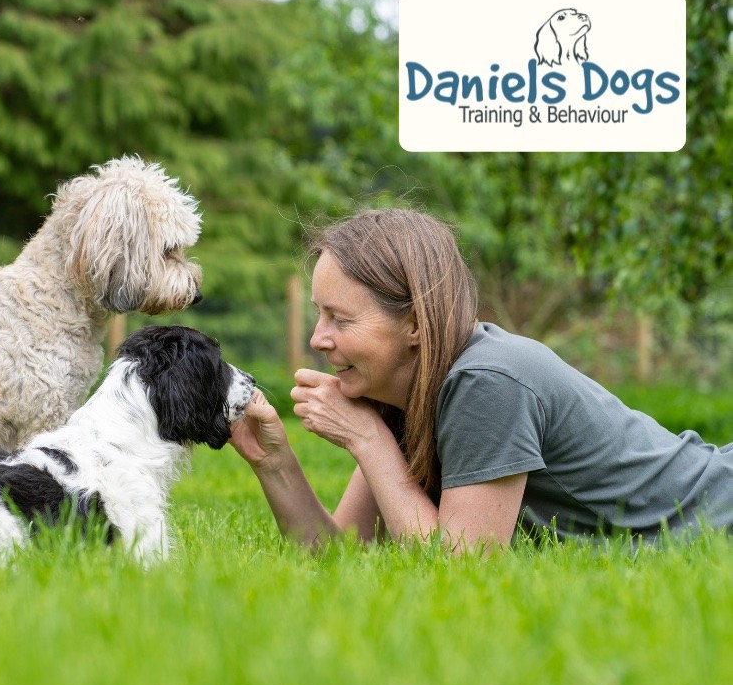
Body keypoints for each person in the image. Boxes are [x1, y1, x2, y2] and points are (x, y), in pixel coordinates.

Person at [227, 208, 733, 552]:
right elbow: (338, 558)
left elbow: (458, 567)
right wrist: (275, 463)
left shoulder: (487, 381)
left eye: (341, 319)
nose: (317, 339)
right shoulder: (400, 392)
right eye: (319, 316)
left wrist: (369, 440)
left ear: (416, 323)